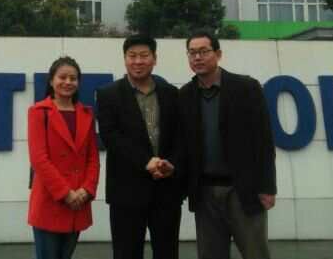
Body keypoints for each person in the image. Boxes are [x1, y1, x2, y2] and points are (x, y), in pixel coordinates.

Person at [178, 30, 276, 259]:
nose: (197, 57)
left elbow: (263, 141)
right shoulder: (185, 95)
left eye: (204, 51)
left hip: (243, 189)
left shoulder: (246, 88)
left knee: (256, 253)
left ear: (218, 54)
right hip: (204, 193)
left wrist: (268, 187)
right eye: (192, 53)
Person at [96, 34, 183, 259]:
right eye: (132, 56)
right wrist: (146, 161)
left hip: (166, 190)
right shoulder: (108, 95)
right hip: (126, 192)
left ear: (155, 59)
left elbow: (181, 137)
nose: (138, 61)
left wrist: (171, 164)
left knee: (167, 253)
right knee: (126, 253)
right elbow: (110, 136)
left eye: (144, 55)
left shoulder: (171, 93)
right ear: (125, 59)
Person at [28, 56, 100, 259]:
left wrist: (86, 190)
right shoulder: (38, 112)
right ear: (51, 81)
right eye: (62, 77)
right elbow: (39, 159)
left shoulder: (86, 113)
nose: (68, 82)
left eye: (73, 78)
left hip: (78, 201)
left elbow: (92, 158)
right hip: (51, 200)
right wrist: (66, 193)